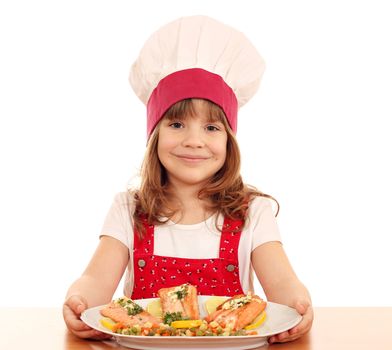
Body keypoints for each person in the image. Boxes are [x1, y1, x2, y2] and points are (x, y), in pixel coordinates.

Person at [63, 15, 313, 344]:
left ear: (229, 140)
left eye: (211, 127)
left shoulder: (253, 212)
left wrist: (299, 304)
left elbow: (283, 284)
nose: (194, 140)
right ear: (154, 133)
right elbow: (95, 280)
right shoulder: (128, 209)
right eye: (177, 124)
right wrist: (78, 299)